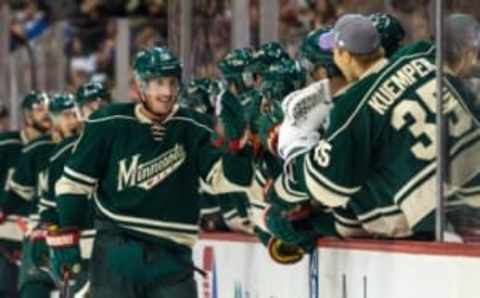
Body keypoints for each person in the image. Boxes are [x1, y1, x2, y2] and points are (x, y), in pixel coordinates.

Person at [47, 47, 253, 298]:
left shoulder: (194, 126)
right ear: (140, 86)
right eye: (158, 83)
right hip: (117, 252)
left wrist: (237, 146)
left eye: (171, 83)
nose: (166, 92)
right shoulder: (108, 123)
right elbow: (73, 184)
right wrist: (68, 234)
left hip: (174, 257)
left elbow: (228, 180)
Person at [266, 13, 480, 244]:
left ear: (344, 55)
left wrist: (278, 192)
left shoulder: (354, 105)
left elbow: (329, 184)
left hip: (441, 214)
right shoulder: (420, 55)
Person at [1, 91, 55, 298]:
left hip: (42, 238)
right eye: (40, 109)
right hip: (7, 237)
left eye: (49, 109)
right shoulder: (6, 145)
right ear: (26, 115)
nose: (47, 114)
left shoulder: (57, 147)